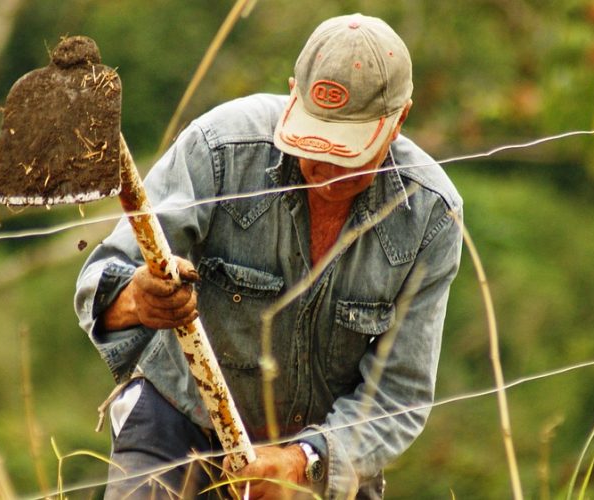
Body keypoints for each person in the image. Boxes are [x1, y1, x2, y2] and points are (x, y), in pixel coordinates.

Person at [75, 13, 463, 499]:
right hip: (177, 425)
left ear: (398, 120)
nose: (324, 169)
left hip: (319, 462)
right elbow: (101, 281)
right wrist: (136, 299)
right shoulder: (220, 148)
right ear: (293, 96)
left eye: (347, 153)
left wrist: (302, 463)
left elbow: (398, 396)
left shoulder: (430, 215)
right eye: (312, 145)